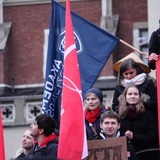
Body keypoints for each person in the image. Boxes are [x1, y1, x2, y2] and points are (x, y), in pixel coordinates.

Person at [119, 84, 158, 160]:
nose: (133, 96)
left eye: (136, 94)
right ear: (125, 96)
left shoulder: (148, 114)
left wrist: (134, 136)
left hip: (145, 155)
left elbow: (153, 138)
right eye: (130, 94)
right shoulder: (120, 115)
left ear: (140, 97)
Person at [112, 53, 157, 118]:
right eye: (126, 74)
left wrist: (140, 106)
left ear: (137, 70)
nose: (129, 76)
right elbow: (114, 105)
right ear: (122, 74)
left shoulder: (148, 83)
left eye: (131, 73)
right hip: (125, 120)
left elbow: (155, 103)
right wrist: (123, 111)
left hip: (145, 119)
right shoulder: (119, 85)